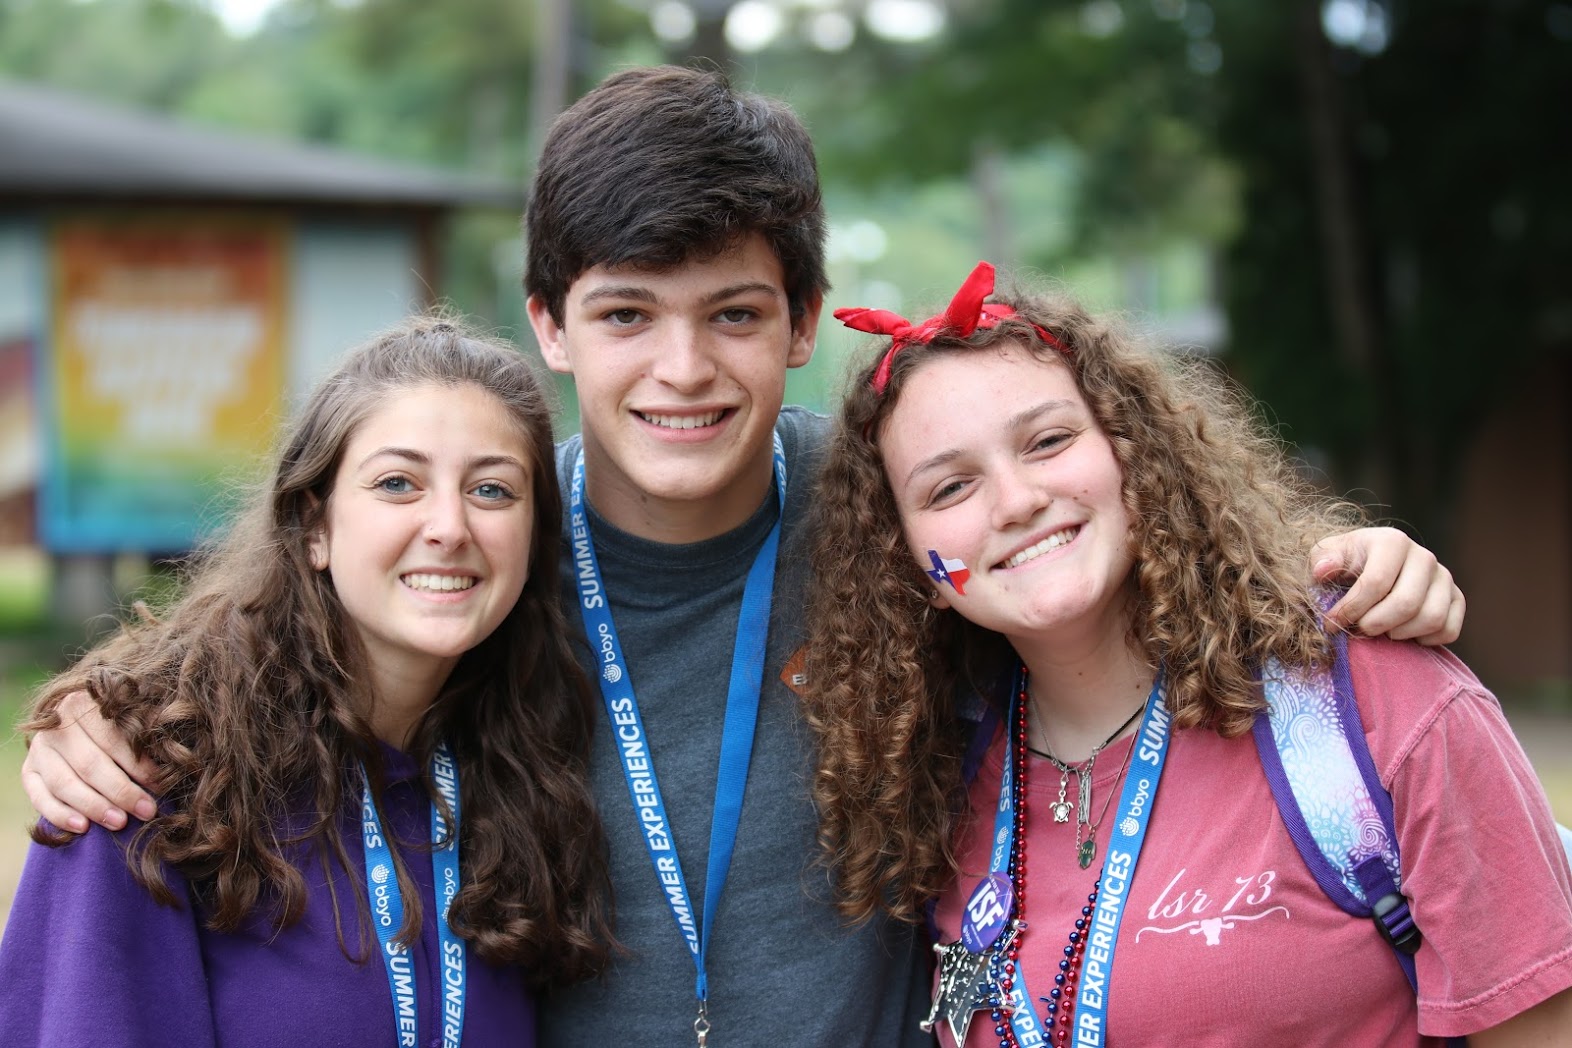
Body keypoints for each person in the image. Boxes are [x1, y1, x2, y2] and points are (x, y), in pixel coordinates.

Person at [19, 68, 1470, 1047]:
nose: (681, 371)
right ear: (549, 322)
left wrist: (1343, 567)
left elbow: (1108, 568)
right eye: (629, 314)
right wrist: (104, 711)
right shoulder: (489, 557)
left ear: (802, 318)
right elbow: (302, 645)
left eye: (731, 313)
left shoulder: (899, 512)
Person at [802, 262, 1572, 1046]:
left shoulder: (1368, 692)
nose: (1017, 500)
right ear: (912, 567)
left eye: (1049, 441)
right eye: (949, 489)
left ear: (1135, 453)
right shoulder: (942, 779)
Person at [1, 318, 614, 1047]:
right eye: (397, 483)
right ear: (314, 524)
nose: (449, 526)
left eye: (491, 489)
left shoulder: (523, 783)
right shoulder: (146, 786)